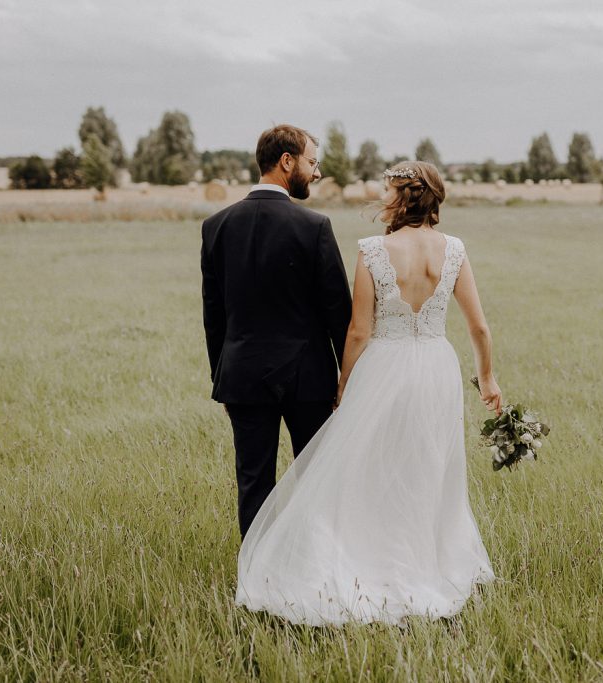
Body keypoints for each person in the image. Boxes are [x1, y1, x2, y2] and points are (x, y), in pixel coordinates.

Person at [234, 160, 502, 625]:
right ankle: (426, 563)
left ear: (401, 197)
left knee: (374, 469)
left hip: (385, 366)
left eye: (386, 190)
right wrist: (489, 379)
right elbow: (478, 326)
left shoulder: (374, 251)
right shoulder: (454, 250)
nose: (382, 198)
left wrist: (344, 386)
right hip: (437, 369)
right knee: (427, 468)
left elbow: (358, 331)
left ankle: (367, 562)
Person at [201, 124, 353, 537]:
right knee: (317, 481)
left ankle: (255, 579)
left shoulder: (215, 226)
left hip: (243, 377)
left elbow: (214, 317)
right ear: (287, 161)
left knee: (253, 484)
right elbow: (339, 313)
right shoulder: (314, 226)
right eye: (312, 162)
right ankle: (315, 571)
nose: (317, 173)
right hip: (310, 380)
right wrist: (349, 378)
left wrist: (223, 378)